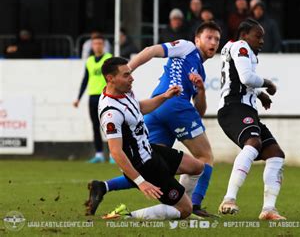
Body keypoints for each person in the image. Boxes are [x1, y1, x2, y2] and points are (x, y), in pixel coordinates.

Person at [86, 22, 222, 218]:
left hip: (157, 105)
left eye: (217, 39)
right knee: (205, 156)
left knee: (150, 162)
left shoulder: (199, 71)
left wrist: (200, 89)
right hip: (176, 107)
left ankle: (104, 186)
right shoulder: (187, 47)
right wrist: (129, 69)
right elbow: (151, 50)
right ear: (197, 39)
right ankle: (193, 204)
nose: (214, 42)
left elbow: (199, 110)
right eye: (209, 37)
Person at [89, 57, 204, 221]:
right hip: (144, 166)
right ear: (110, 79)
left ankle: (178, 206)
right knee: (185, 209)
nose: (132, 78)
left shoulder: (123, 92)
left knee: (197, 167)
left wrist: (165, 96)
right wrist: (140, 181)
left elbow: (140, 107)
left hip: (150, 150)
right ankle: (126, 216)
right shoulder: (111, 113)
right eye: (126, 74)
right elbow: (115, 152)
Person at [217, 18, 286, 220]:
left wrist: (258, 94)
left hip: (244, 108)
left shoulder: (234, 48)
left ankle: (269, 210)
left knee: (276, 154)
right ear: (244, 34)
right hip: (233, 108)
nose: (262, 41)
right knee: (253, 143)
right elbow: (246, 78)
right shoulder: (241, 46)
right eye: (258, 36)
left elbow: (237, 80)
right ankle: (228, 199)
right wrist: (267, 84)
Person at [74, 36, 113, 163]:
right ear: (92, 46)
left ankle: (113, 154)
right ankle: (99, 154)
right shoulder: (89, 61)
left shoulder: (108, 59)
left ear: (103, 45)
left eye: (100, 43)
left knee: (109, 126)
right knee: (95, 126)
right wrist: (78, 98)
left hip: (106, 96)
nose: (98, 46)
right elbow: (85, 80)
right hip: (92, 97)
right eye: (95, 43)